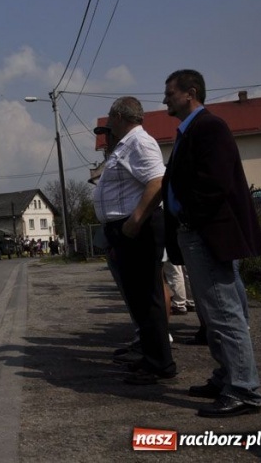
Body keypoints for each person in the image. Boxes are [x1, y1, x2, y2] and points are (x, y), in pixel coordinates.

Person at [162, 69, 261, 417]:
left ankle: (244, 390)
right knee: (212, 312)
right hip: (197, 233)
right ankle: (227, 375)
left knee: (224, 313)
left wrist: (189, 215)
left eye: (170, 93)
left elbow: (214, 183)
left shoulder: (209, 127)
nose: (165, 100)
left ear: (190, 93)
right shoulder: (190, 131)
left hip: (208, 234)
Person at [92, 96, 176, 385]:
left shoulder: (140, 142)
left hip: (136, 229)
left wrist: (136, 219)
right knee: (139, 299)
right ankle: (151, 357)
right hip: (126, 230)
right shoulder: (126, 145)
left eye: (109, 117)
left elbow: (157, 180)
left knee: (147, 296)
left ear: (118, 116)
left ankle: (160, 363)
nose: (108, 122)